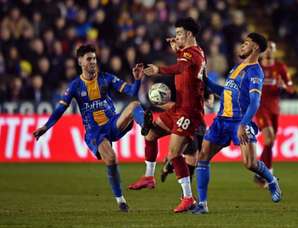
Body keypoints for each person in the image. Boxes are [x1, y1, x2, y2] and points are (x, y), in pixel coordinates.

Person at [33, 44, 150, 212]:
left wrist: (138, 79)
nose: (93, 62)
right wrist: (46, 126)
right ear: (80, 61)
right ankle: (121, 201)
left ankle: (146, 126)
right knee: (111, 159)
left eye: (94, 58)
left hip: (113, 123)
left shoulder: (106, 78)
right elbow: (60, 109)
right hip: (95, 132)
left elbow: (131, 91)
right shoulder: (75, 86)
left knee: (134, 105)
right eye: (89, 59)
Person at [191, 33, 282, 215]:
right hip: (221, 120)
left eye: (246, 43)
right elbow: (224, 91)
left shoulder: (256, 72)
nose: (241, 46)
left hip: (240, 121)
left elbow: (255, 102)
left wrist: (243, 124)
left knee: (249, 163)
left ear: (255, 47)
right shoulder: (236, 67)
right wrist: (206, 80)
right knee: (202, 156)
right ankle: (202, 204)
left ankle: (272, 181)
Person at [128, 17, 206, 213]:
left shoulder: (193, 53)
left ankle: (188, 197)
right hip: (178, 107)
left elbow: (180, 68)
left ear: (189, 34)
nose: (176, 36)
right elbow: (183, 66)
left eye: (179, 33)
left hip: (189, 112)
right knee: (150, 134)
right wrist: (178, 50)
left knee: (173, 154)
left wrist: (158, 69)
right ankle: (148, 176)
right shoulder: (190, 52)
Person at [254, 41, 294, 187]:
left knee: (270, 142)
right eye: (267, 48)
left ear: (275, 50)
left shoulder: (280, 67)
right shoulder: (256, 67)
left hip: (274, 108)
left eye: (272, 48)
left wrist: (284, 86)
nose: (269, 51)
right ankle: (263, 171)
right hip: (259, 107)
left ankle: (265, 172)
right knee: (269, 137)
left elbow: (291, 87)